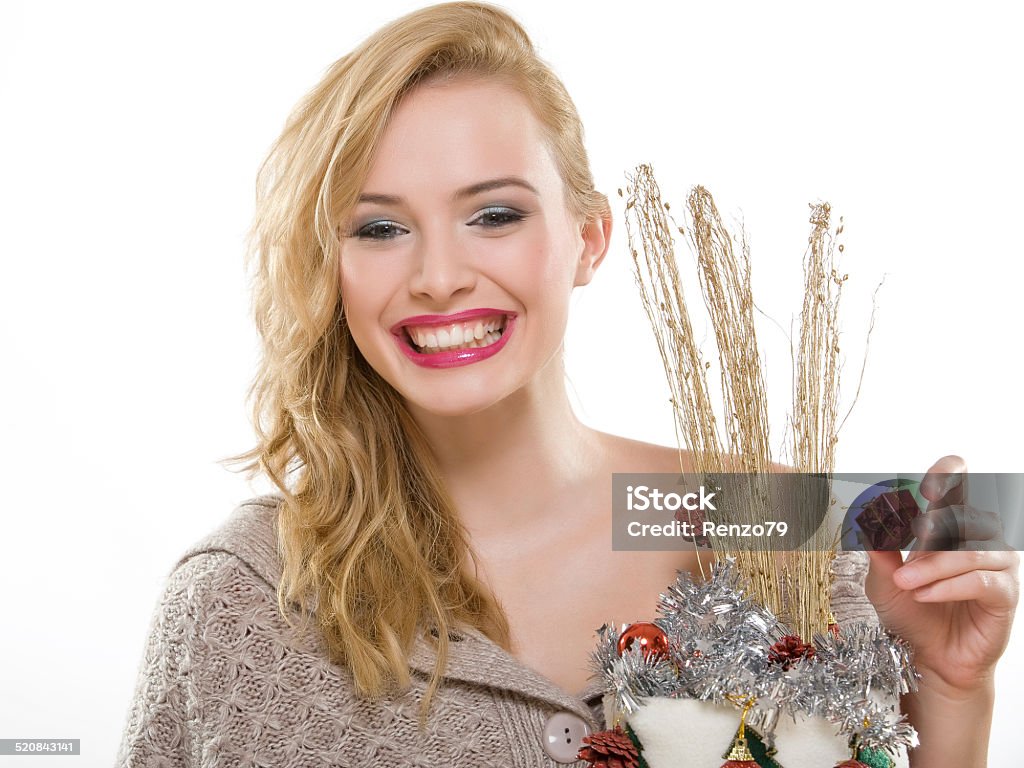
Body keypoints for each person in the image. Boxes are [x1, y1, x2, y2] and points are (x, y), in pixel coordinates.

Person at [114, 3, 1019, 766]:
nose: (437, 277)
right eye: (380, 229)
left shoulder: (772, 517)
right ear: (330, 266)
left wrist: (950, 691)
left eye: (494, 215)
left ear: (590, 238)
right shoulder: (238, 601)